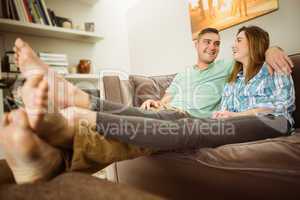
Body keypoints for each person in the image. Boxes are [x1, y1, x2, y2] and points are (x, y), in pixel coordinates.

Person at [0, 26, 294, 184]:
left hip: (242, 120)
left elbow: (279, 106)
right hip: (185, 113)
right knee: (155, 116)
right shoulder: (228, 77)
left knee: (182, 125)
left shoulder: (236, 67)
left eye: (232, 42)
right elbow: (179, 100)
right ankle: (64, 134)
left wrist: (271, 48)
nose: (222, 47)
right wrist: (157, 101)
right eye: (209, 43)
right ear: (197, 44)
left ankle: (78, 110)